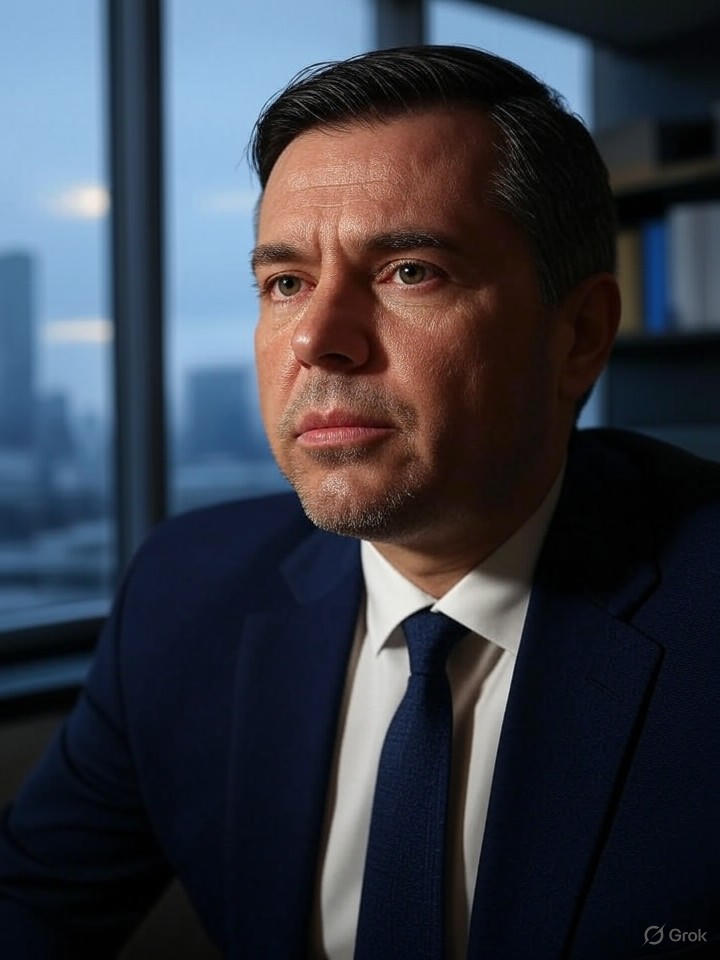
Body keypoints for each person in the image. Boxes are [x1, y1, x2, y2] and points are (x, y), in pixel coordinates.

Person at [1, 44, 719, 960]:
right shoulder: (184, 594)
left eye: (409, 270)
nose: (317, 338)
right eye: (286, 283)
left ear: (578, 335)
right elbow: (30, 905)